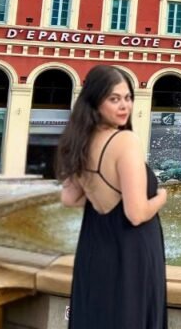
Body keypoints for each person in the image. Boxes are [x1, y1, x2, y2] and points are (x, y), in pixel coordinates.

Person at [57, 65, 167, 328]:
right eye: (114, 99)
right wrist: (162, 196)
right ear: (95, 103)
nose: (124, 106)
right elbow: (136, 213)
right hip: (131, 252)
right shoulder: (125, 141)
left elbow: (69, 199)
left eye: (127, 98)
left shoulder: (81, 140)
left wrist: (100, 194)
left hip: (95, 248)